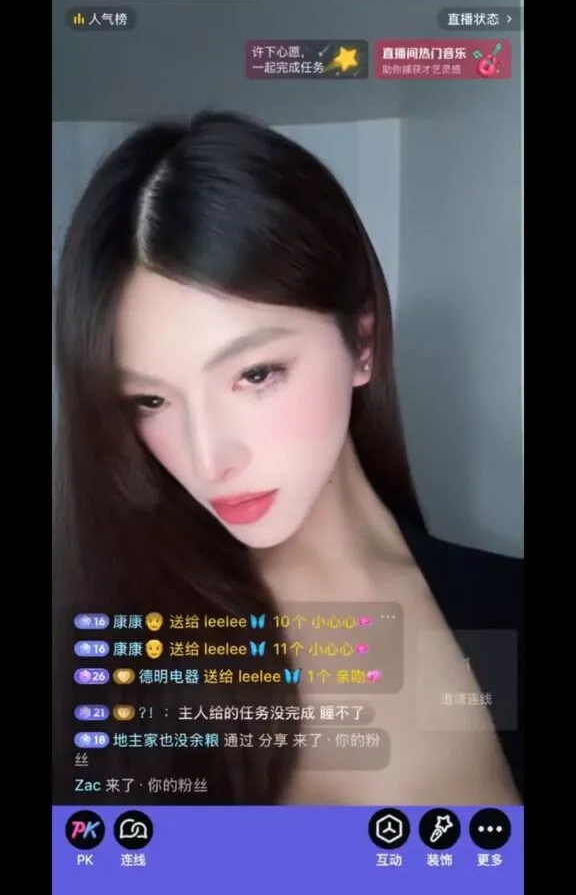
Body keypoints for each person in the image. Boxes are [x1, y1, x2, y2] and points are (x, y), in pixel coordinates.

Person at [53, 111, 523, 806]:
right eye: (149, 401)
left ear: (361, 344)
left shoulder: (507, 609)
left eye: (255, 374)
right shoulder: (114, 659)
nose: (209, 459)